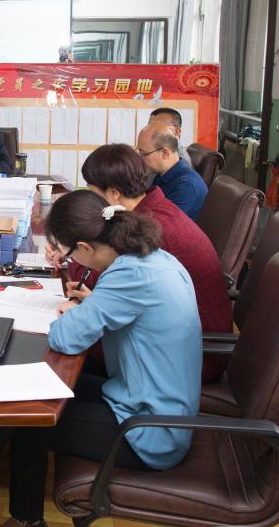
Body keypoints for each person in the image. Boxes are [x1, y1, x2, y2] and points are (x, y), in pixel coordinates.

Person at [4, 190, 200, 527]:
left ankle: (27, 522)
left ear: (85, 247)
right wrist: (94, 303)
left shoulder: (128, 276)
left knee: (29, 420)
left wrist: (77, 311)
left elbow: (65, 338)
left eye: (69, 255)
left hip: (148, 429)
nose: (72, 263)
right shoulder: (153, 258)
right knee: (49, 387)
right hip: (153, 399)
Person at [73, 144, 231, 383]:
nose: (90, 200)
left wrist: (71, 252)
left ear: (114, 194)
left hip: (190, 358)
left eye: (91, 191)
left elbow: (96, 278)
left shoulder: (151, 231)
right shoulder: (150, 211)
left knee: (67, 350)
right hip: (170, 338)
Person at [136, 121, 208, 220]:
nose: (140, 158)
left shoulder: (187, 186)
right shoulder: (162, 174)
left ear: (165, 153)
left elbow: (158, 224)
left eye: (143, 153)